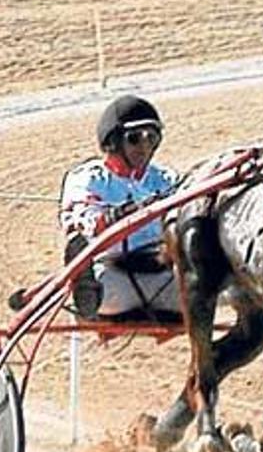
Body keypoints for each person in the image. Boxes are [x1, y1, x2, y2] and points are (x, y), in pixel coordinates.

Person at [58, 95, 181, 321]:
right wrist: (121, 214)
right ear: (114, 141)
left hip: (164, 278)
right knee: (103, 283)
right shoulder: (88, 178)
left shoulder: (166, 179)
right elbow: (81, 224)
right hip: (112, 279)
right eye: (135, 138)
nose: (144, 147)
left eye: (151, 138)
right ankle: (86, 291)